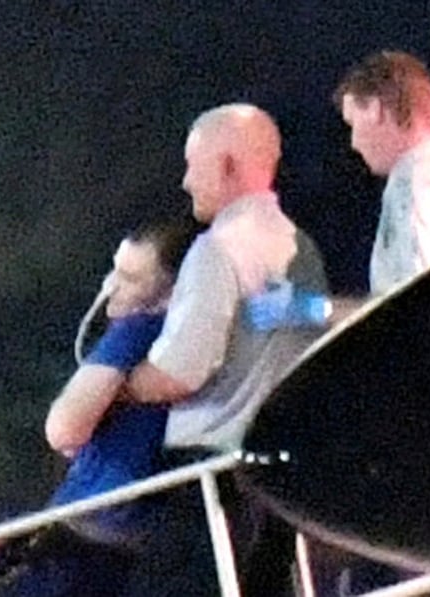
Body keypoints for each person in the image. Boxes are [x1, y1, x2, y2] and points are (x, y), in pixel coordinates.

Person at [125, 103, 329, 596]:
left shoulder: (217, 249)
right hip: (279, 485)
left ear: (228, 166)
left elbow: (181, 371)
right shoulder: (303, 252)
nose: (186, 181)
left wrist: (118, 386)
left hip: (212, 485)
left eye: (193, 165)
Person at [0, 220, 198, 597]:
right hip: (134, 540)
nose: (112, 284)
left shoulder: (136, 330)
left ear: (170, 293)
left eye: (130, 278)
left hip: (90, 524)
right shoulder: (188, 341)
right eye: (115, 268)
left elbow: (62, 430)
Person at [248, 50, 430, 331]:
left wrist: (310, 308)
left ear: (376, 110)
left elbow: (414, 305)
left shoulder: (411, 183)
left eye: (352, 124)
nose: (354, 143)